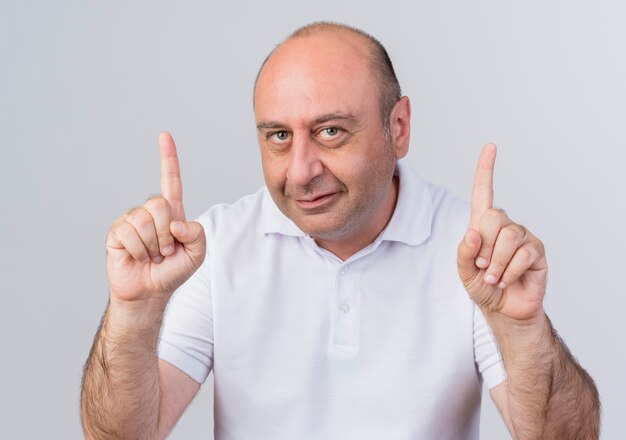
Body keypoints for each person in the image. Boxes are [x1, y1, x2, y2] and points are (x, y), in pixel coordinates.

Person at [81, 22, 600, 439]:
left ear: (397, 128)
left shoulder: (474, 254)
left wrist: (523, 332)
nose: (301, 169)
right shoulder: (213, 246)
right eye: (279, 136)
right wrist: (133, 314)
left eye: (331, 131)